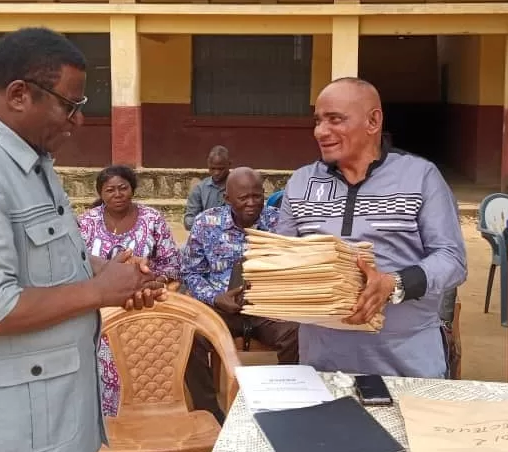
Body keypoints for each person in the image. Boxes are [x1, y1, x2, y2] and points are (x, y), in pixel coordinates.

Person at [0, 27, 165, 452]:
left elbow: (56, 255)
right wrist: (98, 291)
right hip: (1, 443)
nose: (77, 121)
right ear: (18, 95)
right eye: (70, 105)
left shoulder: (33, 165)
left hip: (43, 427)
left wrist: (117, 273)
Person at [275, 77, 467, 378]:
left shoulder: (420, 177)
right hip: (322, 364)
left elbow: (452, 260)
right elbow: (281, 258)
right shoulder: (301, 183)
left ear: (373, 121)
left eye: (334, 119)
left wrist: (395, 283)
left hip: (407, 363)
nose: (321, 132)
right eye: (317, 121)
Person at [181, 166, 299, 423]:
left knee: (298, 332)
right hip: (221, 309)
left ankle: (288, 405)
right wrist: (215, 297)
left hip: (267, 309)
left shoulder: (279, 223)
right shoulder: (206, 223)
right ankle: (210, 412)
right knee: (190, 336)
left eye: (257, 196)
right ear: (227, 198)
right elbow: (190, 273)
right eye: (243, 197)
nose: (251, 203)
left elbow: (293, 266)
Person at [77, 164, 182, 417]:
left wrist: (154, 280)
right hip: (96, 306)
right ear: (101, 194)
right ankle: (104, 416)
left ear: (132, 189)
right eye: (110, 190)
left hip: (144, 303)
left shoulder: (152, 219)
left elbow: (174, 265)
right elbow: (72, 263)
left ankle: (144, 414)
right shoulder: (86, 222)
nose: (117, 194)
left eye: (123, 188)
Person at [183, 145, 231, 230]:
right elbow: (188, 221)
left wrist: (204, 221)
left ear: (229, 165)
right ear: (208, 165)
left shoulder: (238, 187)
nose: (216, 173)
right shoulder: (200, 189)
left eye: (221, 169)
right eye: (213, 168)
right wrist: (213, 221)